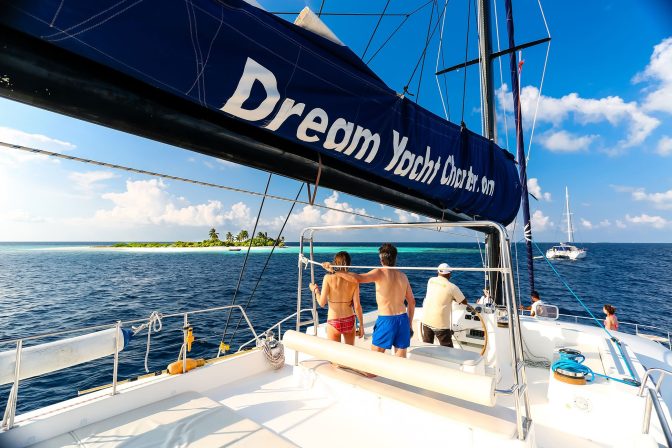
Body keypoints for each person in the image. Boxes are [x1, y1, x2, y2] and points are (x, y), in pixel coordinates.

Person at [322, 243, 415, 358]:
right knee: (401, 362)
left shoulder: (379, 272)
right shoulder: (403, 276)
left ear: (381, 259)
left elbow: (357, 279)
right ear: (395, 258)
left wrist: (334, 271)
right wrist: (409, 325)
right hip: (403, 320)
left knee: (372, 363)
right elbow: (412, 302)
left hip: (387, 320)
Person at [309, 251, 364, 345]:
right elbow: (357, 306)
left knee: (334, 356)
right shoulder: (354, 280)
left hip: (334, 320)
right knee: (349, 354)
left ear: (335, 263)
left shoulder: (328, 278)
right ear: (349, 264)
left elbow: (322, 303)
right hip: (349, 320)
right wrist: (361, 325)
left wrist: (315, 290)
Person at [421, 263, 467, 348]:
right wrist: (453, 298)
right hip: (440, 324)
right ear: (449, 274)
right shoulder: (453, 287)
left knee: (426, 347)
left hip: (426, 320)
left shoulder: (431, 280)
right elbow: (464, 301)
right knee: (448, 349)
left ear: (438, 272)